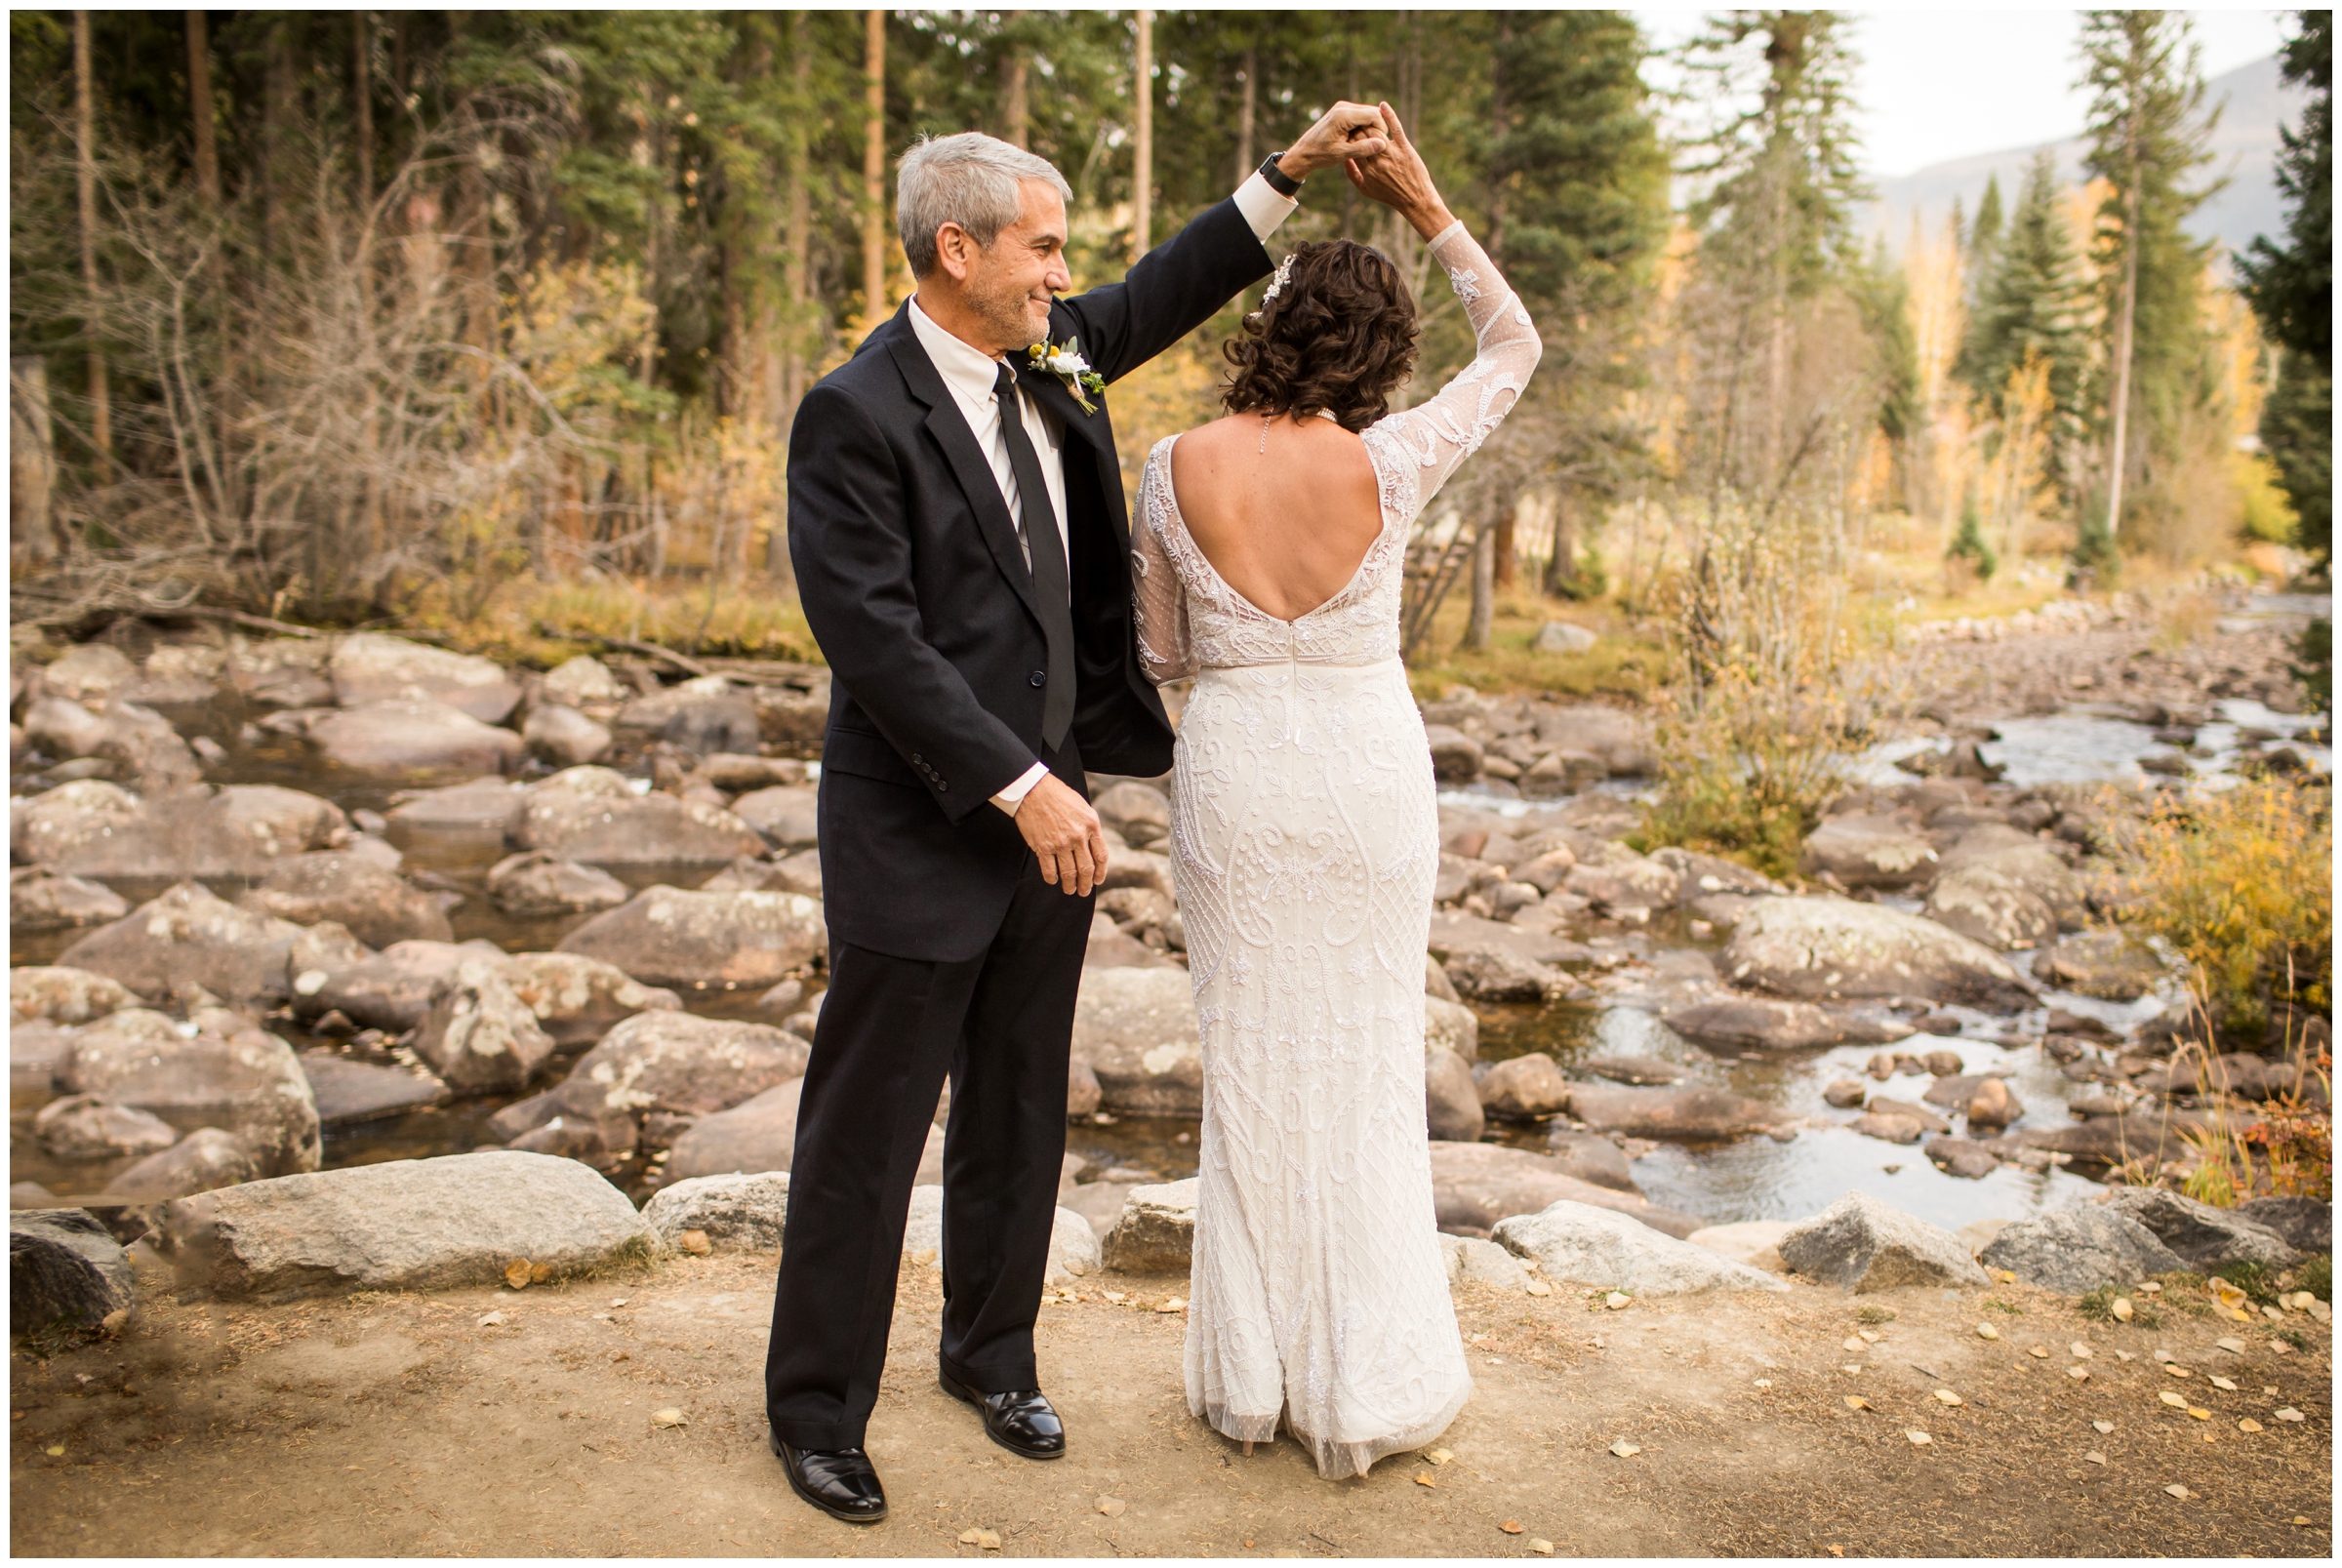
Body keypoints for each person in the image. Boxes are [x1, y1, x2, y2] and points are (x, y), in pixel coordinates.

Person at [768, 107, 1392, 1525]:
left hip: (1057, 824)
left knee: (1017, 1114)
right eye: (1044, 247)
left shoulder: (1045, 357)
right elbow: (873, 638)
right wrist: (1023, 784)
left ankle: (991, 1362)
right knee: (865, 1136)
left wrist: (1285, 175)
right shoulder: (855, 413)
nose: (1066, 272)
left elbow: (1168, 286)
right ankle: (815, 1412)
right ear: (958, 247)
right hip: (927, 826)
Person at [1129, 103, 1542, 1480]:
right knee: (1365, 1066)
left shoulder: (1169, 467)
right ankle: (1364, 1374)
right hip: (1368, 773)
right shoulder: (1396, 459)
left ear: (1265, 327)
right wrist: (1427, 202)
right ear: (1377, 357)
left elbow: (1159, 657)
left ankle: (1252, 1374)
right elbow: (1518, 346)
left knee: (1247, 1060)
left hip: (1237, 775)